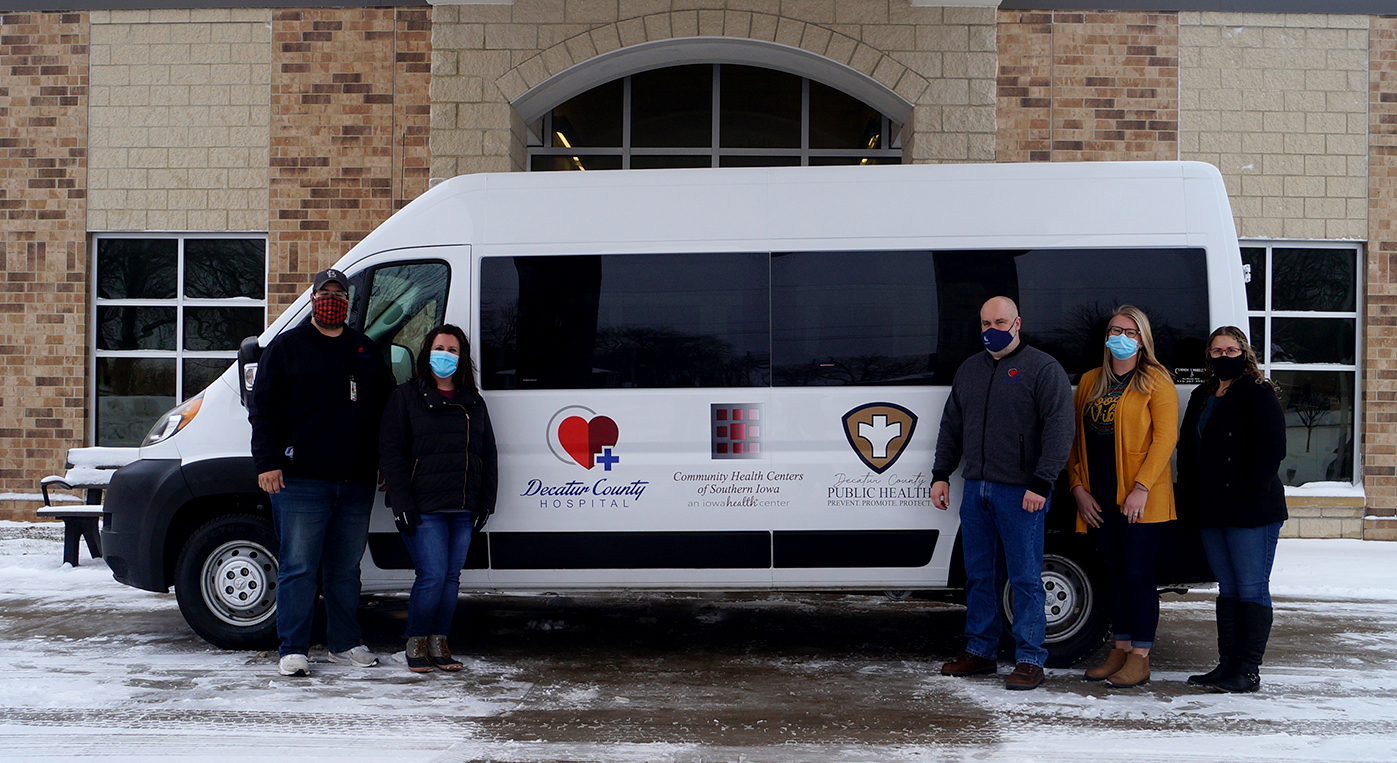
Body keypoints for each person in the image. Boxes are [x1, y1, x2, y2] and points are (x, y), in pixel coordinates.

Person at [248, 268, 393, 677]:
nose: (333, 298)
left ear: (349, 301)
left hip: (356, 482)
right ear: (313, 298)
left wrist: (385, 464)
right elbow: (264, 410)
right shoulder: (287, 347)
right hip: (300, 481)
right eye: (325, 292)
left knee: (346, 570)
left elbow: (385, 410)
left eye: (339, 293)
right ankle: (293, 648)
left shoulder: (364, 350)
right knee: (298, 566)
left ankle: (344, 644)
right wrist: (268, 463)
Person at [931, 296, 1075, 690]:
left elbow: (1060, 430)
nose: (990, 329)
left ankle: (1030, 658)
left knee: (1026, 577)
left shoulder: (1042, 369)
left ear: (1017, 324)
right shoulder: (970, 370)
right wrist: (941, 473)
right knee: (979, 575)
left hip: (1021, 492)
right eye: (984, 322)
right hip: (975, 488)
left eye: (999, 322)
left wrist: (1042, 482)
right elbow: (952, 425)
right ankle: (980, 652)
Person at [1066, 306, 1177, 688]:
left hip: (1139, 500)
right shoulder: (1091, 381)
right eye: (1115, 330)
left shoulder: (1156, 381)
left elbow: (1165, 440)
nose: (1122, 337)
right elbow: (1074, 440)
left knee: (1139, 576)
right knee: (1113, 575)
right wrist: (1078, 487)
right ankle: (1120, 648)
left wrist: (1141, 489)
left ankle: (1141, 657)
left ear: (1143, 339)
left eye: (1130, 331)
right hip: (1099, 499)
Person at [379, 325, 498, 673]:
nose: (444, 355)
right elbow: (391, 452)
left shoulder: (474, 402)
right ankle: (416, 641)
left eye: (452, 350)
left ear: (461, 359)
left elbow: (487, 453)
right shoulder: (405, 397)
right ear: (426, 352)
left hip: (463, 506)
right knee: (432, 574)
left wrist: (486, 502)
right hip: (422, 507)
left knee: (451, 577)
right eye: (439, 347)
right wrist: (401, 503)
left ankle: (439, 642)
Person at [1177, 326, 1287, 693]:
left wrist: (1250, 490)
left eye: (1231, 350)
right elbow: (1189, 448)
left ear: (1244, 353)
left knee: (1252, 587)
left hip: (1251, 508)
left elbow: (1272, 447)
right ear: (1208, 355)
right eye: (1217, 351)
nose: (1224, 356)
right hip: (1212, 508)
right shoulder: (1202, 394)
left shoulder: (1258, 392)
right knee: (1228, 588)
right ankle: (1226, 665)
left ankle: (1248, 670)